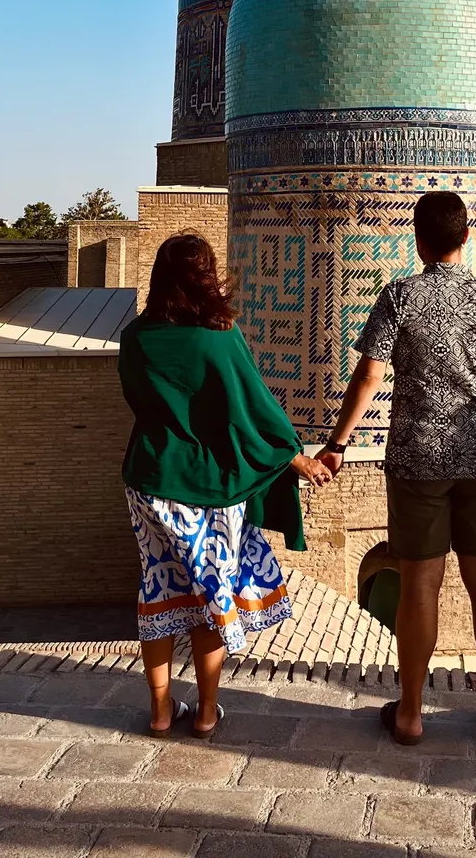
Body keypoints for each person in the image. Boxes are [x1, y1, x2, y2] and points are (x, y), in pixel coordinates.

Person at [317, 192, 476, 748]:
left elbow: (369, 375)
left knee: (419, 584)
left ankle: (411, 714)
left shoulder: (400, 295)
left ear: (418, 240)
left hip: (419, 461)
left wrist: (338, 443)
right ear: (467, 237)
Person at [118, 232, 331, 740]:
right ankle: (207, 712)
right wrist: (294, 457)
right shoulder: (220, 335)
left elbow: (138, 401)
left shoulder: (136, 336)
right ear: (207, 278)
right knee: (211, 598)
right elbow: (251, 406)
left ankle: (160, 711)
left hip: (150, 482)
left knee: (158, 590)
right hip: (209, 489)